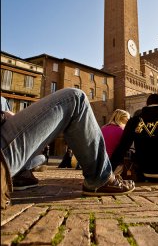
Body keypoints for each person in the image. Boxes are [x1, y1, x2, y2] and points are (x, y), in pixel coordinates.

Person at [1, 88, 135, 209]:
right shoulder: (120, 130)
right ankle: (101, 178)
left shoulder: (105, 127)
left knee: (40, 158)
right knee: (76, 98)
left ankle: (19, 174)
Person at [1, 96, 46, 190]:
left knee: (41, 158)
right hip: (5, 157)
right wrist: (4, 115)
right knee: (74, 96)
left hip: (8, 152)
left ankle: (19, 172)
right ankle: (18, 173)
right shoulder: (3, 100)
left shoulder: (4, 100)